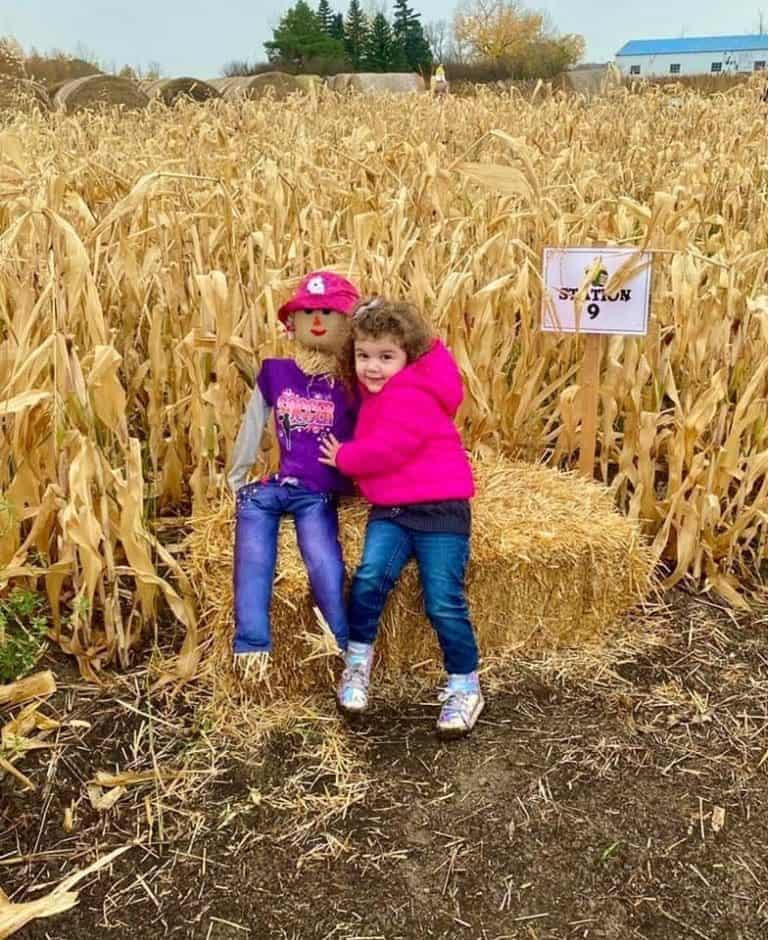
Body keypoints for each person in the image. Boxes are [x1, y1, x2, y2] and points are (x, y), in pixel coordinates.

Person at [319, 299, 483, 737]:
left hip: (440, 510)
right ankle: (357, 663)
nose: (372, 367)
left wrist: (344, 457)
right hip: (392, 509)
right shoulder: (383, 389)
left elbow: (388, 449)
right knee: (371, 576)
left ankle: (465, 685)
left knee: (443, 600)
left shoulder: (409, 395)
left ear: (409, 356)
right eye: (363, 355)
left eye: (386, 357)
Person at [229, 272, 360, 670]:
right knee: (251, 549)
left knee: (322, 558)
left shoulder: (355, 380)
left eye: (327, 312)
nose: (317, 320)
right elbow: (252, 424)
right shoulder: (277, 373)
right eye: (307, 312)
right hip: (277, 484)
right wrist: (236, 480)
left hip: (318, 492)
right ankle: (251, 645)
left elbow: (379, 433)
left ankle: (342, 643)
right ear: (293, 321)